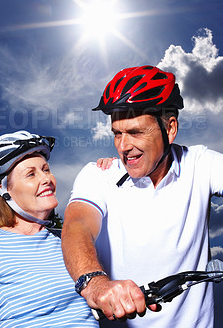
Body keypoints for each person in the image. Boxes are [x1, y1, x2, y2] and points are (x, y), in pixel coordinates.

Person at [61, 65, 223, 328]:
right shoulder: (98, 175)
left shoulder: (201, 164)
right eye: (117, 133)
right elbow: (77, 226)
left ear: (169, 129)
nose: (124, 146)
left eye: (136, 132)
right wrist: (94, 282)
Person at [0, 130, 99, 328]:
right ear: (5, 189)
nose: (46, 178)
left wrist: (110, 175)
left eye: (46, 169)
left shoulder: (67, 240)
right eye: (31, 174)